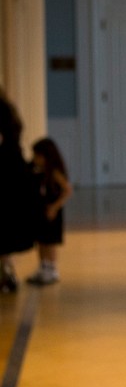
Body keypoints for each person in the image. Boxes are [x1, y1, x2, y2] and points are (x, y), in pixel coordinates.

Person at [0, 88, 36, 293]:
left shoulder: (3, 112)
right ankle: (7, 272)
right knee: (7, 227)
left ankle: (6, 274)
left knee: (4, 227)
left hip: (5, 171)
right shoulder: (11, 113)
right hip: (15, 170)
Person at [27, 137, 73, 286]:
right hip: (40, 211)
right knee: (41, 240)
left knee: (50, 241)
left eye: (37, 156)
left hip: (52, 213)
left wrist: (55, 206)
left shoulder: (54, 172)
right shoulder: (37, 171)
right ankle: (43, 267)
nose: (35, 159)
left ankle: (52, 269)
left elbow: (67, 190)